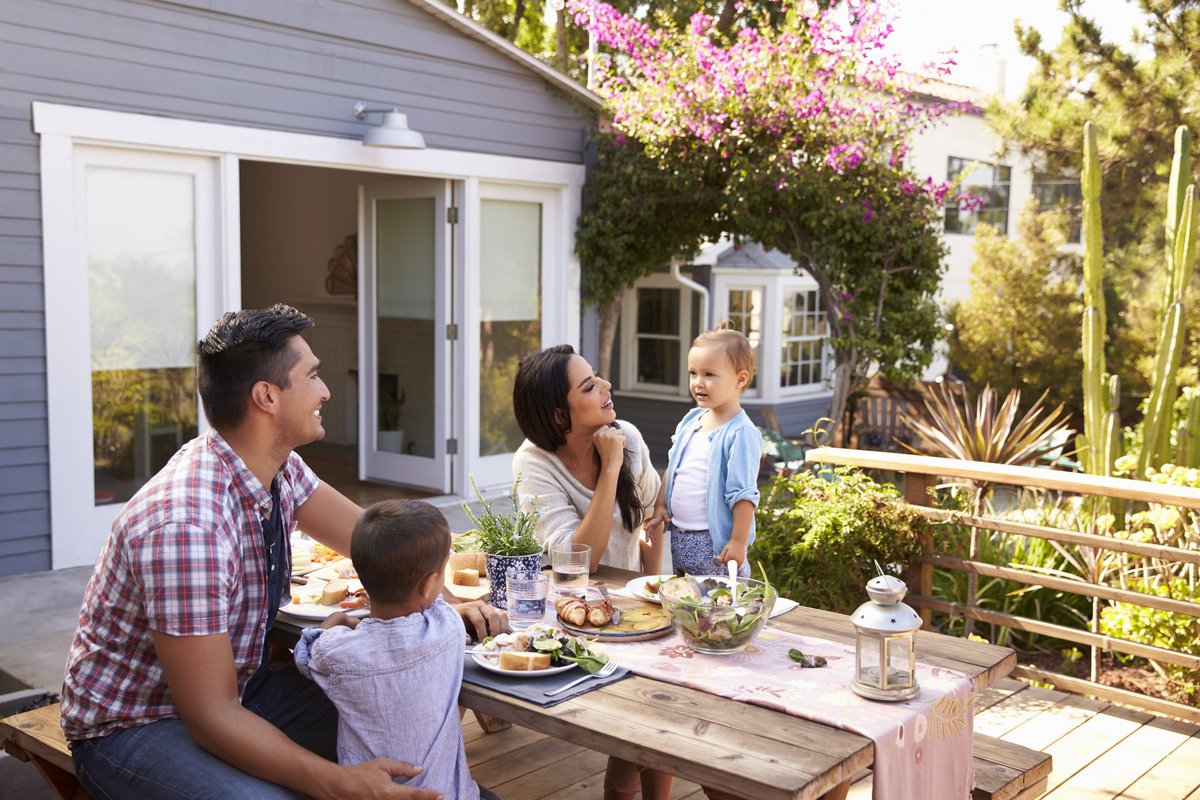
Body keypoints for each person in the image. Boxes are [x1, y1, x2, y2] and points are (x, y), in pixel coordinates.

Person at [61, 304, 507, 800]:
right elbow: (210, 717)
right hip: (135, 726)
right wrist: (340, 783)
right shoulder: (188, 527)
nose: (326, 390)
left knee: (405, 720)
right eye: (313, 375)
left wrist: (438, 598)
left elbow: (375, 538)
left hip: (243, 691)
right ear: (267, 397)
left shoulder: (278, 469)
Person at [511, 344, 673, 800]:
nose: (606, 387)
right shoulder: (533, 464)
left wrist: (654, 596)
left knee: (659, 704)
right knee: (639, 724)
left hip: (633, 609)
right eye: (589, 386)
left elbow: (652, 523)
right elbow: (578, 558)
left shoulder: (629, 436)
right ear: (559, 415)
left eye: (598, 377)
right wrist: (611, 468)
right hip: (572, 615)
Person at [295, 500, 499, 800]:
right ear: (430, 584)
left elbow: (305, 653)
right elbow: (446, 610)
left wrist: (338, 619)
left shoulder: (337, 651)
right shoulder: (447, 629)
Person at [646, 326, 762, 578]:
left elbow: (743, 495)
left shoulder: (740, 433)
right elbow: (674, 465)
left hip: (715, 546)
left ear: (740, 379)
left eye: (709, 374)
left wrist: (738, 541)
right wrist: (660, 505)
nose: (698, 382)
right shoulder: (691, 420)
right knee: (686, 604)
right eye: (693, 373)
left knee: (719, 607)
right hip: (681, 537)